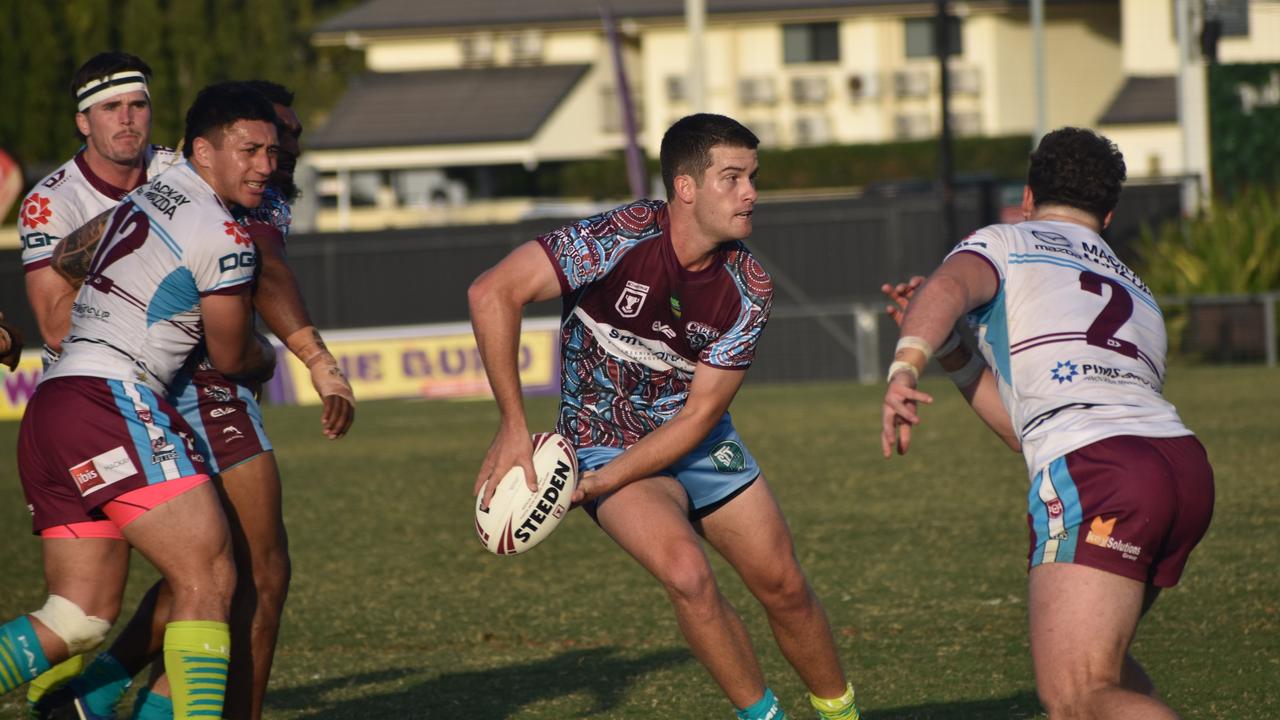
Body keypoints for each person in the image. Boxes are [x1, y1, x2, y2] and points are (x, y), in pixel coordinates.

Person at [469, 113, 861, 720]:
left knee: (783, 586)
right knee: (687, 575)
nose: (751, 192)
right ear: (685, 187)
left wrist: (597, 489)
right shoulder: (617, 237)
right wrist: (515, 427)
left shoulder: (748, 284)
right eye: (731, 178)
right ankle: (766, 717)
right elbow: (491, 292)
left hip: (698, 443)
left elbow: (701, 415)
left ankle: (842, 713)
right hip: (600, 442)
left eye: (753, 177)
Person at [34, 80, 354, 720]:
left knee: (134, 595)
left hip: (98, 392)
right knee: (250, 573)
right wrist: (313, 359)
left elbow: (78, 256)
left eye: (287, 140)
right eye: (268, 141)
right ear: (213, 148)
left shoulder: (212, 189)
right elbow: (268, 275)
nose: (280, 155)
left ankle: (99, 687)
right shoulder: (235, 207)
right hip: (196, 390)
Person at [880, 127, 1214, 720]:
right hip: (1181, 467)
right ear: (1107, 214)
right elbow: (1023, 430)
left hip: (1103, 467)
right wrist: (957, 354)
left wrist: (906, 367)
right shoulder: (1137, 291)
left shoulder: (1005, 240)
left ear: (1028, 197)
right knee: (1100, 669)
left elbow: (950, 284)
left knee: (1076, 694)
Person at [18, 52, 179, 369]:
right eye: (110, 107)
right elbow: (56, 329)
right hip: (87, 373)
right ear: (83, 122)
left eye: (138, 105)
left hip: (172, 365)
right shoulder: (49, 202)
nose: (127, 119)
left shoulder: (179, 171)